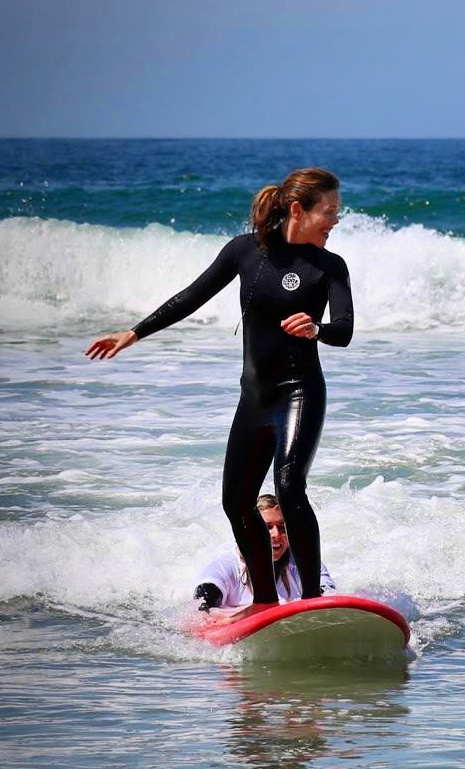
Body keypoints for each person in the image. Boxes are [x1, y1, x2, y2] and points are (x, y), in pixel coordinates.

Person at [87, 167, 353, 617]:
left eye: (336, 212)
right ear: (297, 209)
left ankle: (311, 599)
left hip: (300, 392)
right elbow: (192, 296)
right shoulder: (245, 251)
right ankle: (265, 600)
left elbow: (344, 330)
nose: (335, 220)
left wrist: (317, 329)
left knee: (290, 485)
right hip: (255, 398)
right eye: (328, 211)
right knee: (235, 501)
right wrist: (134, 333)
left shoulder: (329, 266)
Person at [195, 494, 335, 611]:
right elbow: (202, 608)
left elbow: (329, 597)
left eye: (282, 527)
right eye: (267, 527)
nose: (276, 534)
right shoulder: (226, 567)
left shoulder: (304, 563)